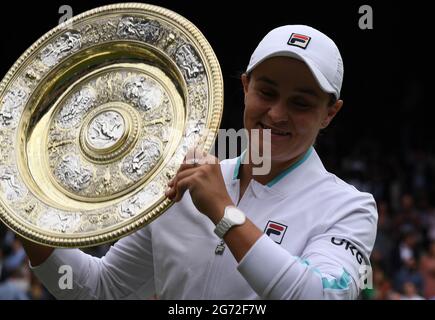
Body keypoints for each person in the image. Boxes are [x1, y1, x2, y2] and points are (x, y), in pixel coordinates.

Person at [19, 25, 377, 299]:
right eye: (266, 92)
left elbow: (321, 294)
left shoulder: (349, 208)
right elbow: (102, 288)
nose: (277, 114)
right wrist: (24, 213)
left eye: (301, 103)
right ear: (245, 87)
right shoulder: (185, 181)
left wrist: (224, 213)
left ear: (330, 113)